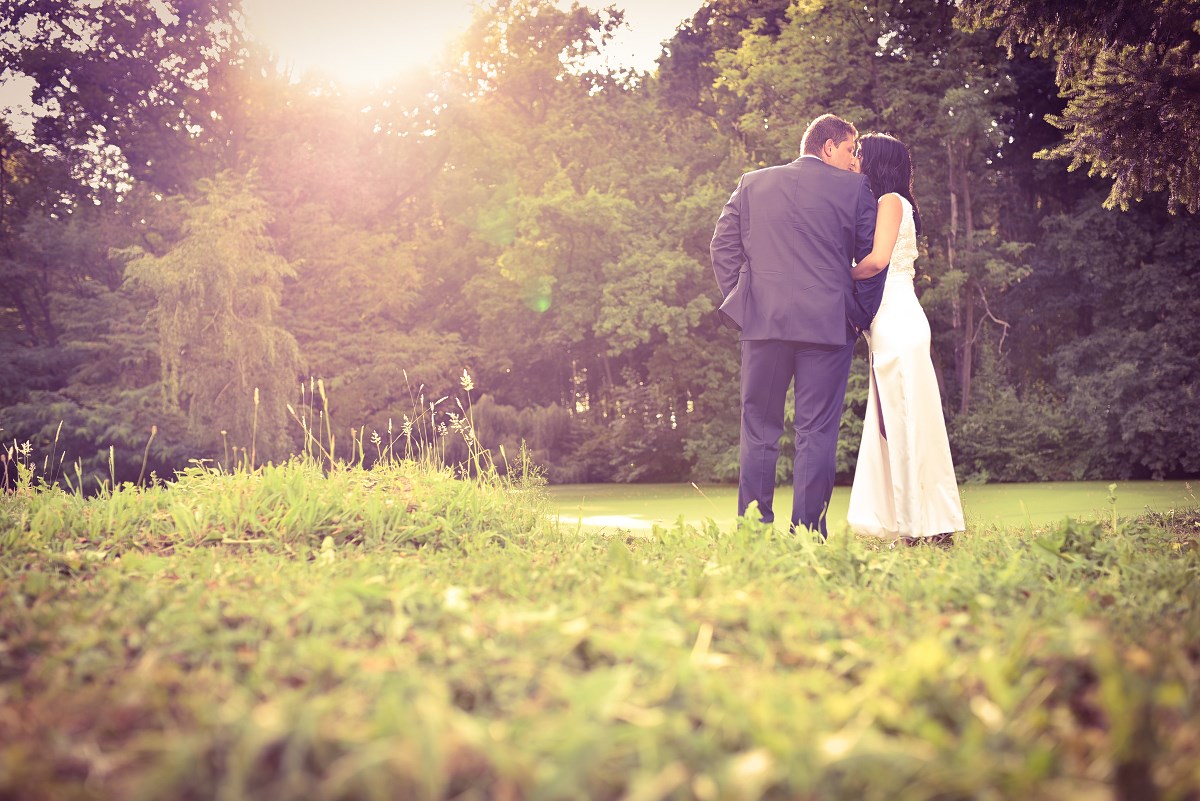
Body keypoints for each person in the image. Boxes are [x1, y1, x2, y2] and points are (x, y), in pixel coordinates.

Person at [710, 113, 885, 538]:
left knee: (759, 428)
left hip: (764, 324)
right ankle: (807, 532)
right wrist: (856, 316)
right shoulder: (855, 188)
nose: (854, 159)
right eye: (850, 149)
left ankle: (753, 530)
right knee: (817, 432)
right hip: (828, 327)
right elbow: (870, 260)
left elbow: (722, 245)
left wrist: (744, 302)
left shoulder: (753, 182)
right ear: (828, 147)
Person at [845, 132, 965, 545]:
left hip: (898, 320)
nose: (855, 158)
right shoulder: (892, 203)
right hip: (894, 319)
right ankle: (921, 523)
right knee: (896, 421)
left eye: (860, 153)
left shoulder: (889, 201)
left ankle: (919, 527)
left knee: (905, 421)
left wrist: (835, 272)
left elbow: (878, 261)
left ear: (876, 160)